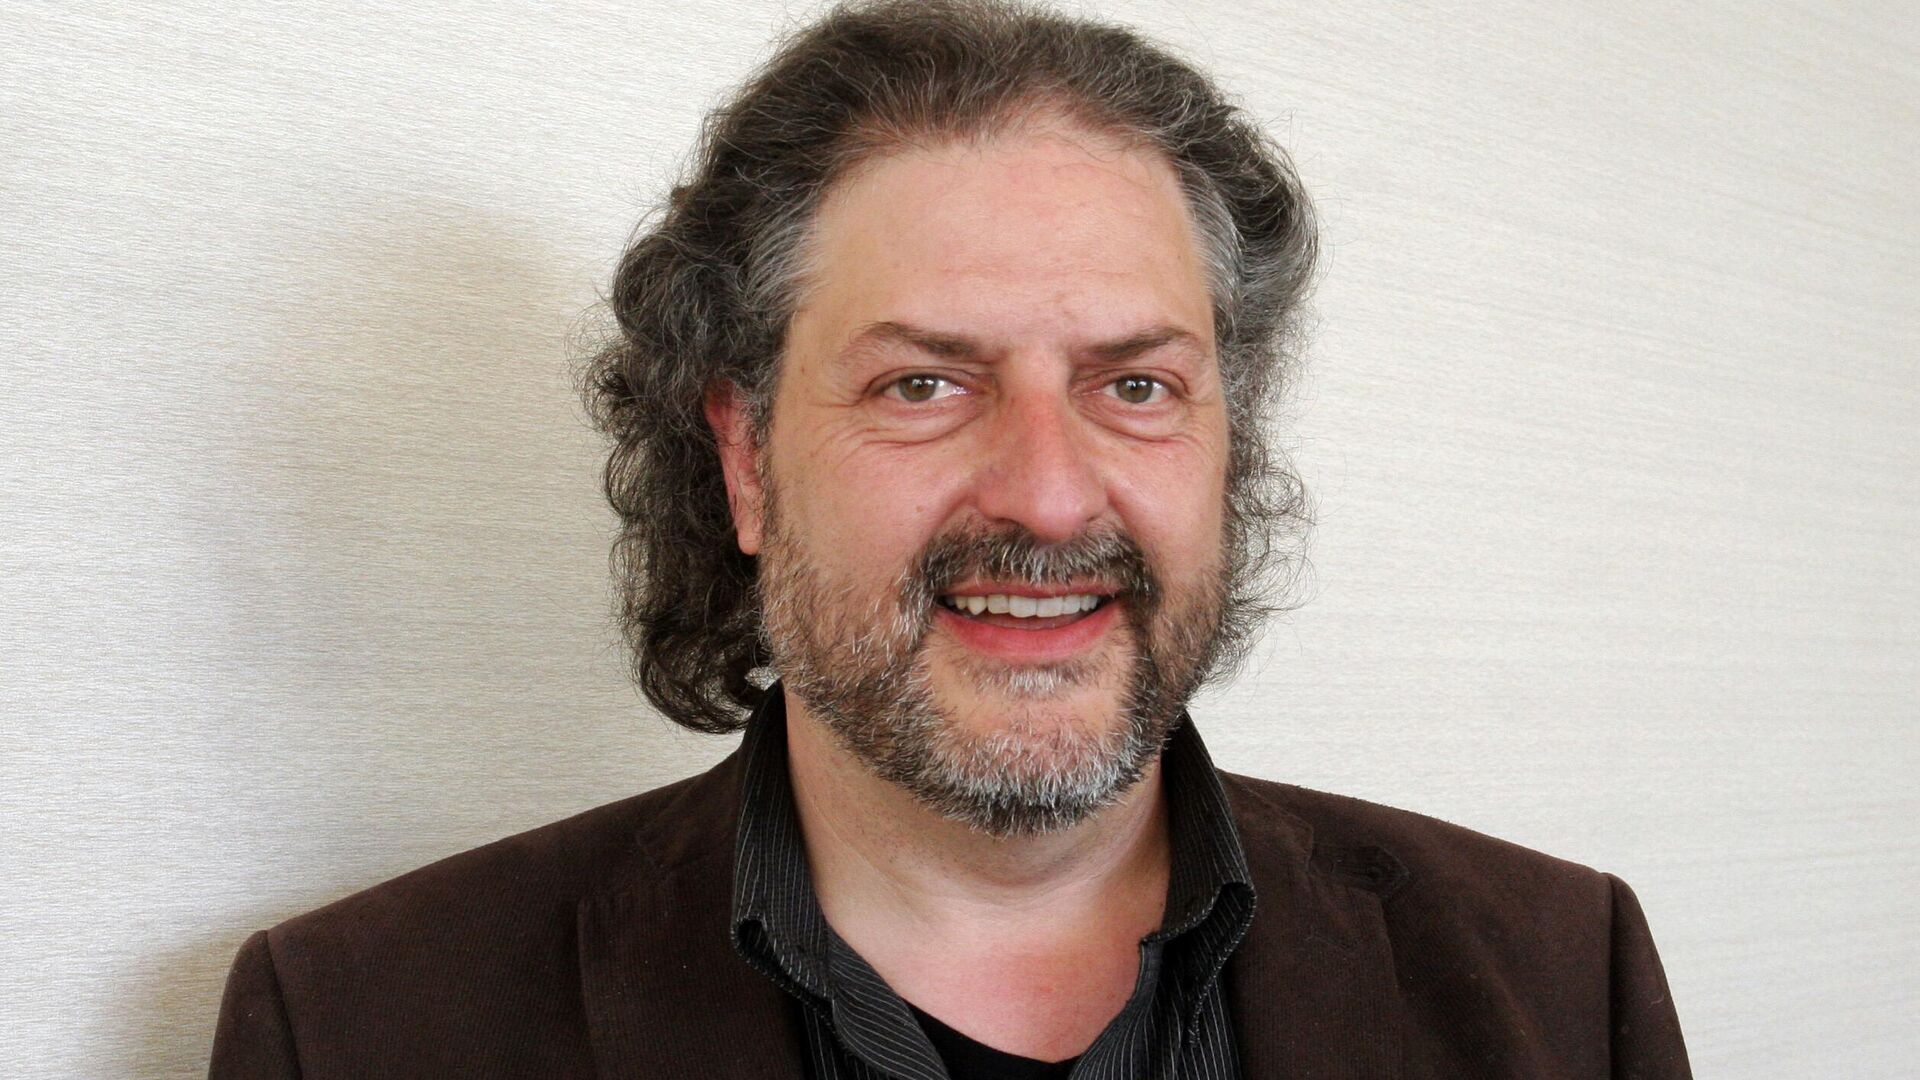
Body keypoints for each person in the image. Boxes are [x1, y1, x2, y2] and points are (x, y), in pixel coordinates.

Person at [208, 2, 1692, 1077]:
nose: (1049, 496)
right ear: (746, 460)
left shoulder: (1562, 983)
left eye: (1135, 386)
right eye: (923, 385)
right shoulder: (351, 1029)